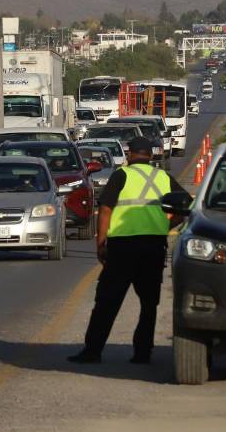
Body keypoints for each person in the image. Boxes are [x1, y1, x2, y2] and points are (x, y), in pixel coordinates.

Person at [68, 136, 188, 365]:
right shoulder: (163, 177)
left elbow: (105, 209)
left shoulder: (121, 175)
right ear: (150, 155)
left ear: (130, 154)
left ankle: (93, 351)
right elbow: (186, 207)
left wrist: (101, 242)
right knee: (148, 304)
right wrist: (165, 226)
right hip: (153, 247)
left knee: (107, 301)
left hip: (122, 248)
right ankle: (143, 353)